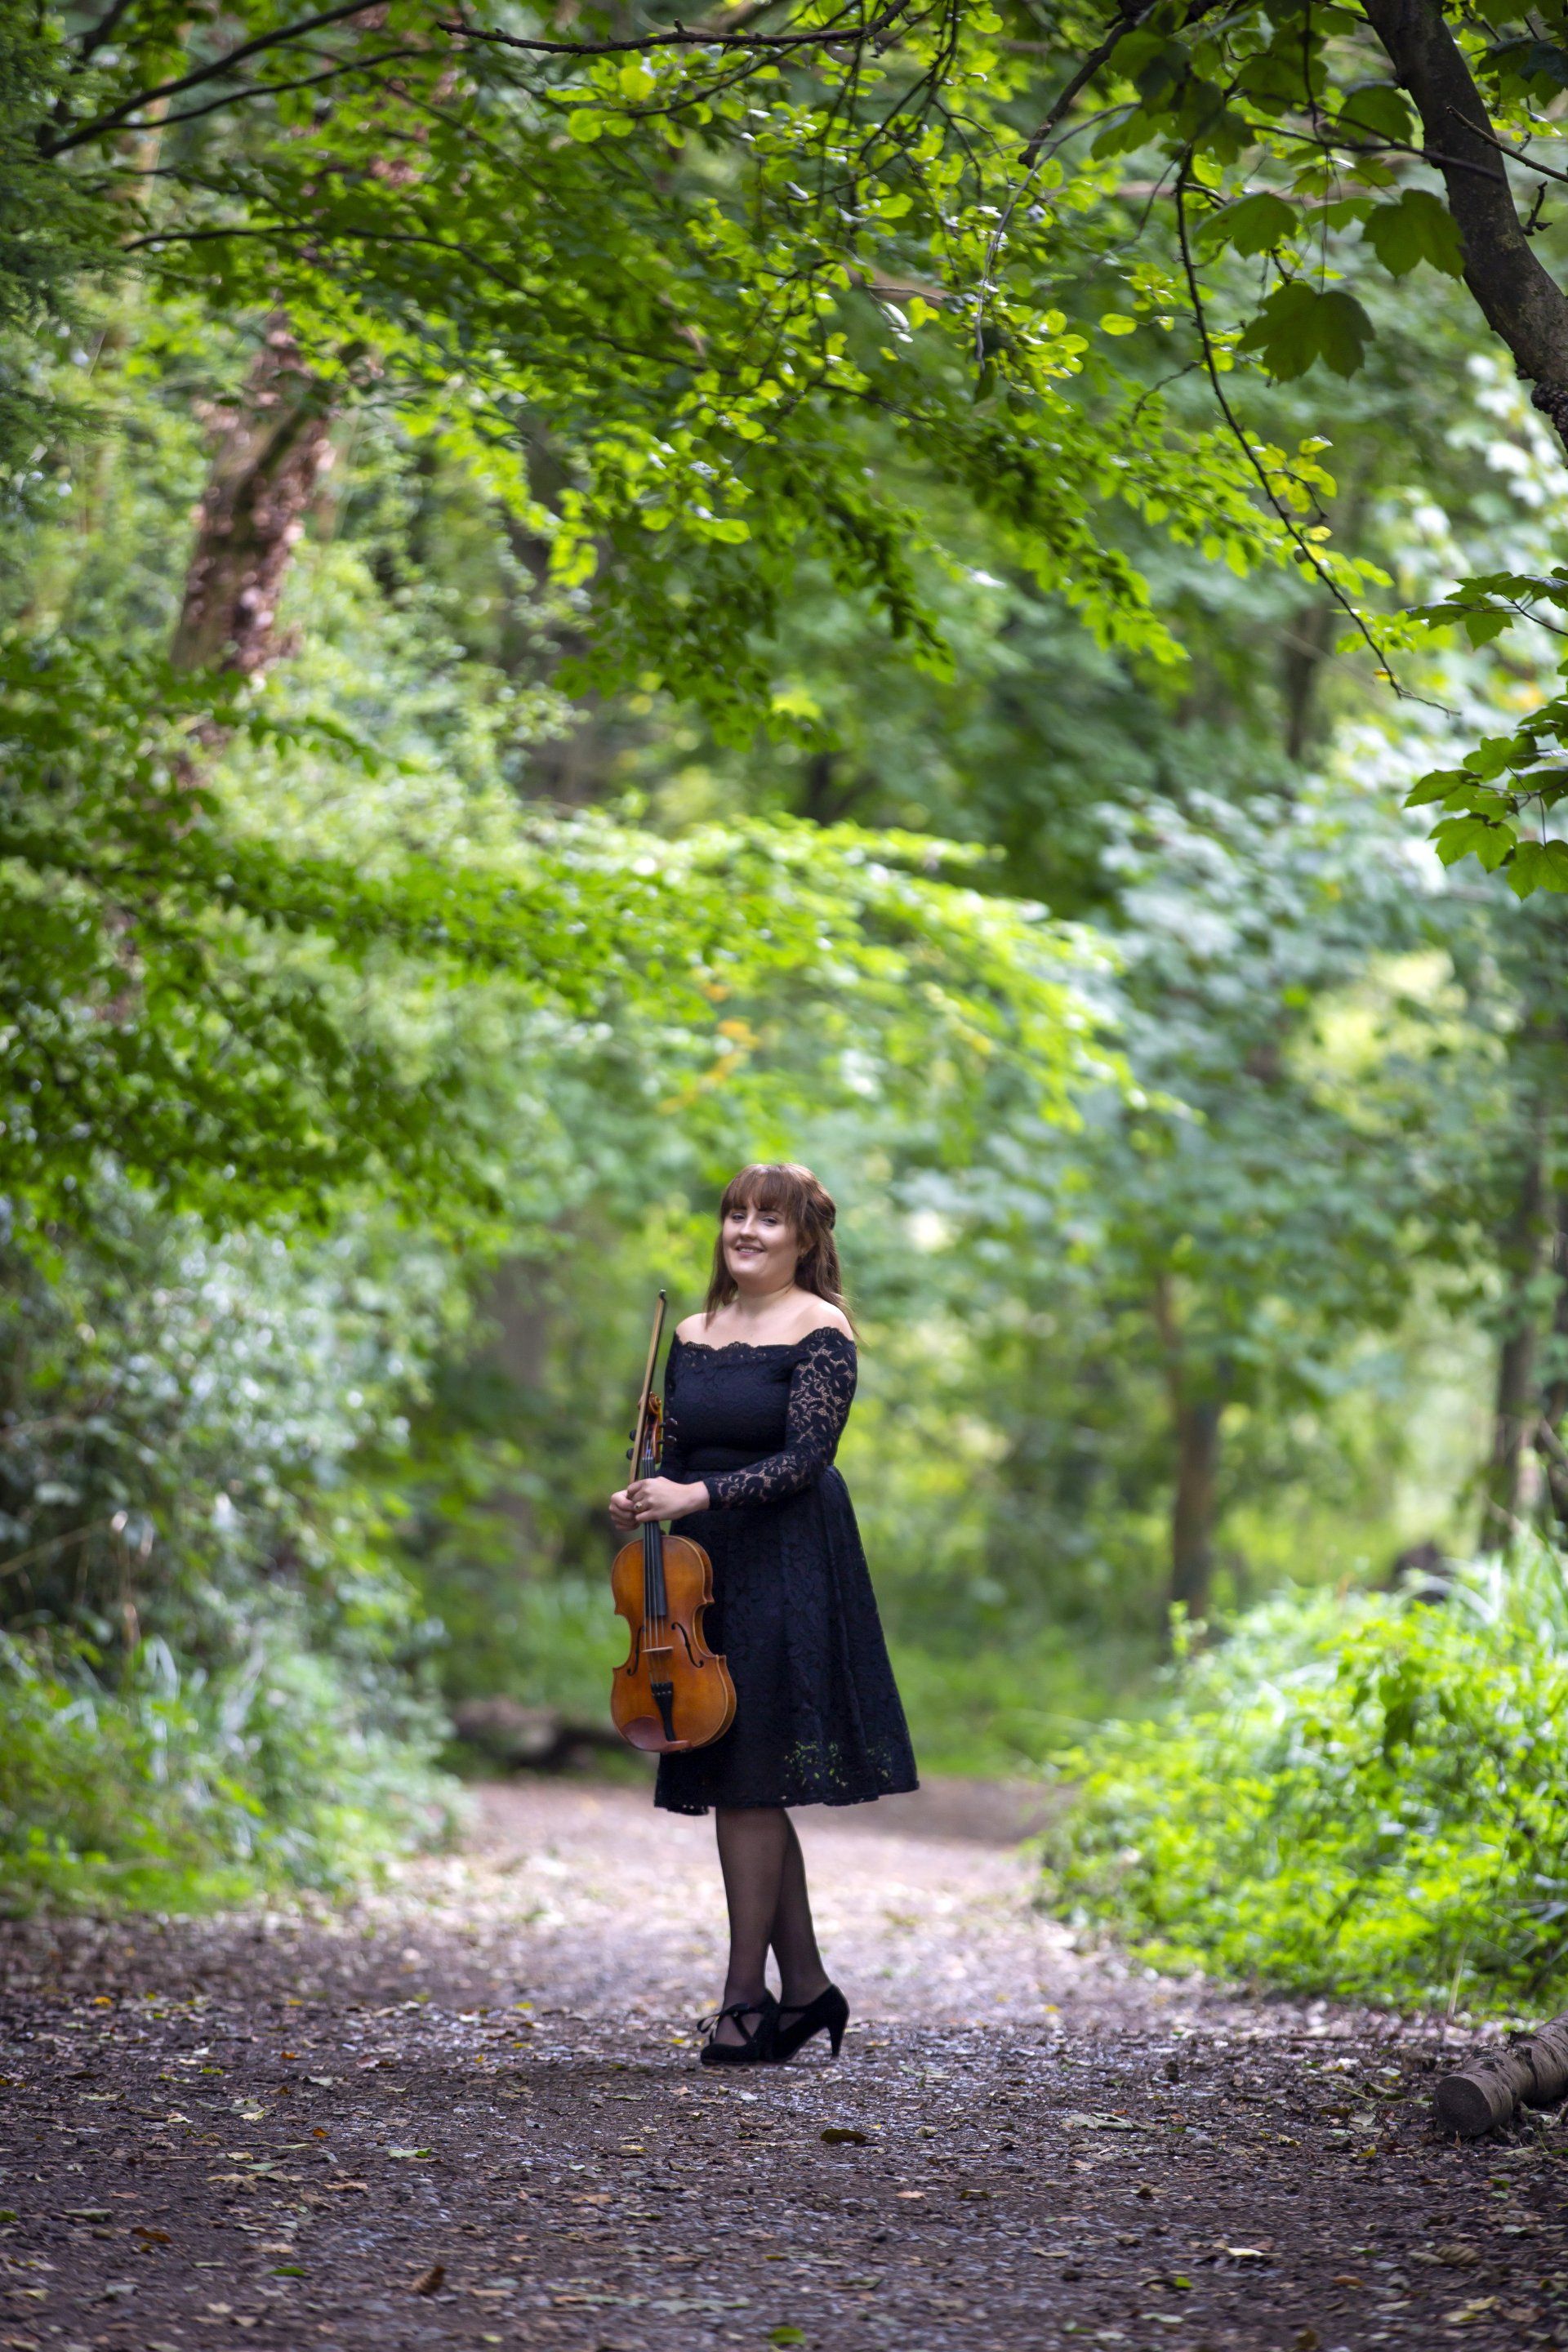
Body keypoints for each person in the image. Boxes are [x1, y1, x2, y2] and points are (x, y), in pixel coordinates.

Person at [608, 1162, 917, 2065]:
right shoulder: (692, 1332)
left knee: (748, 1780)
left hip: (789, 1563)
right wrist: (641, 1496)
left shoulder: (822, 1329)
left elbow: (805, 1461)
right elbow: (671, 1454)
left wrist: (694, 1495)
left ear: (804, 1238)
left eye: (768, 1219)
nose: (746, 1230)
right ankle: (809, 1991)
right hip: (701, 1576)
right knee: (740, 1776)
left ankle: (746, 1999)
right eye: (735, 1214)